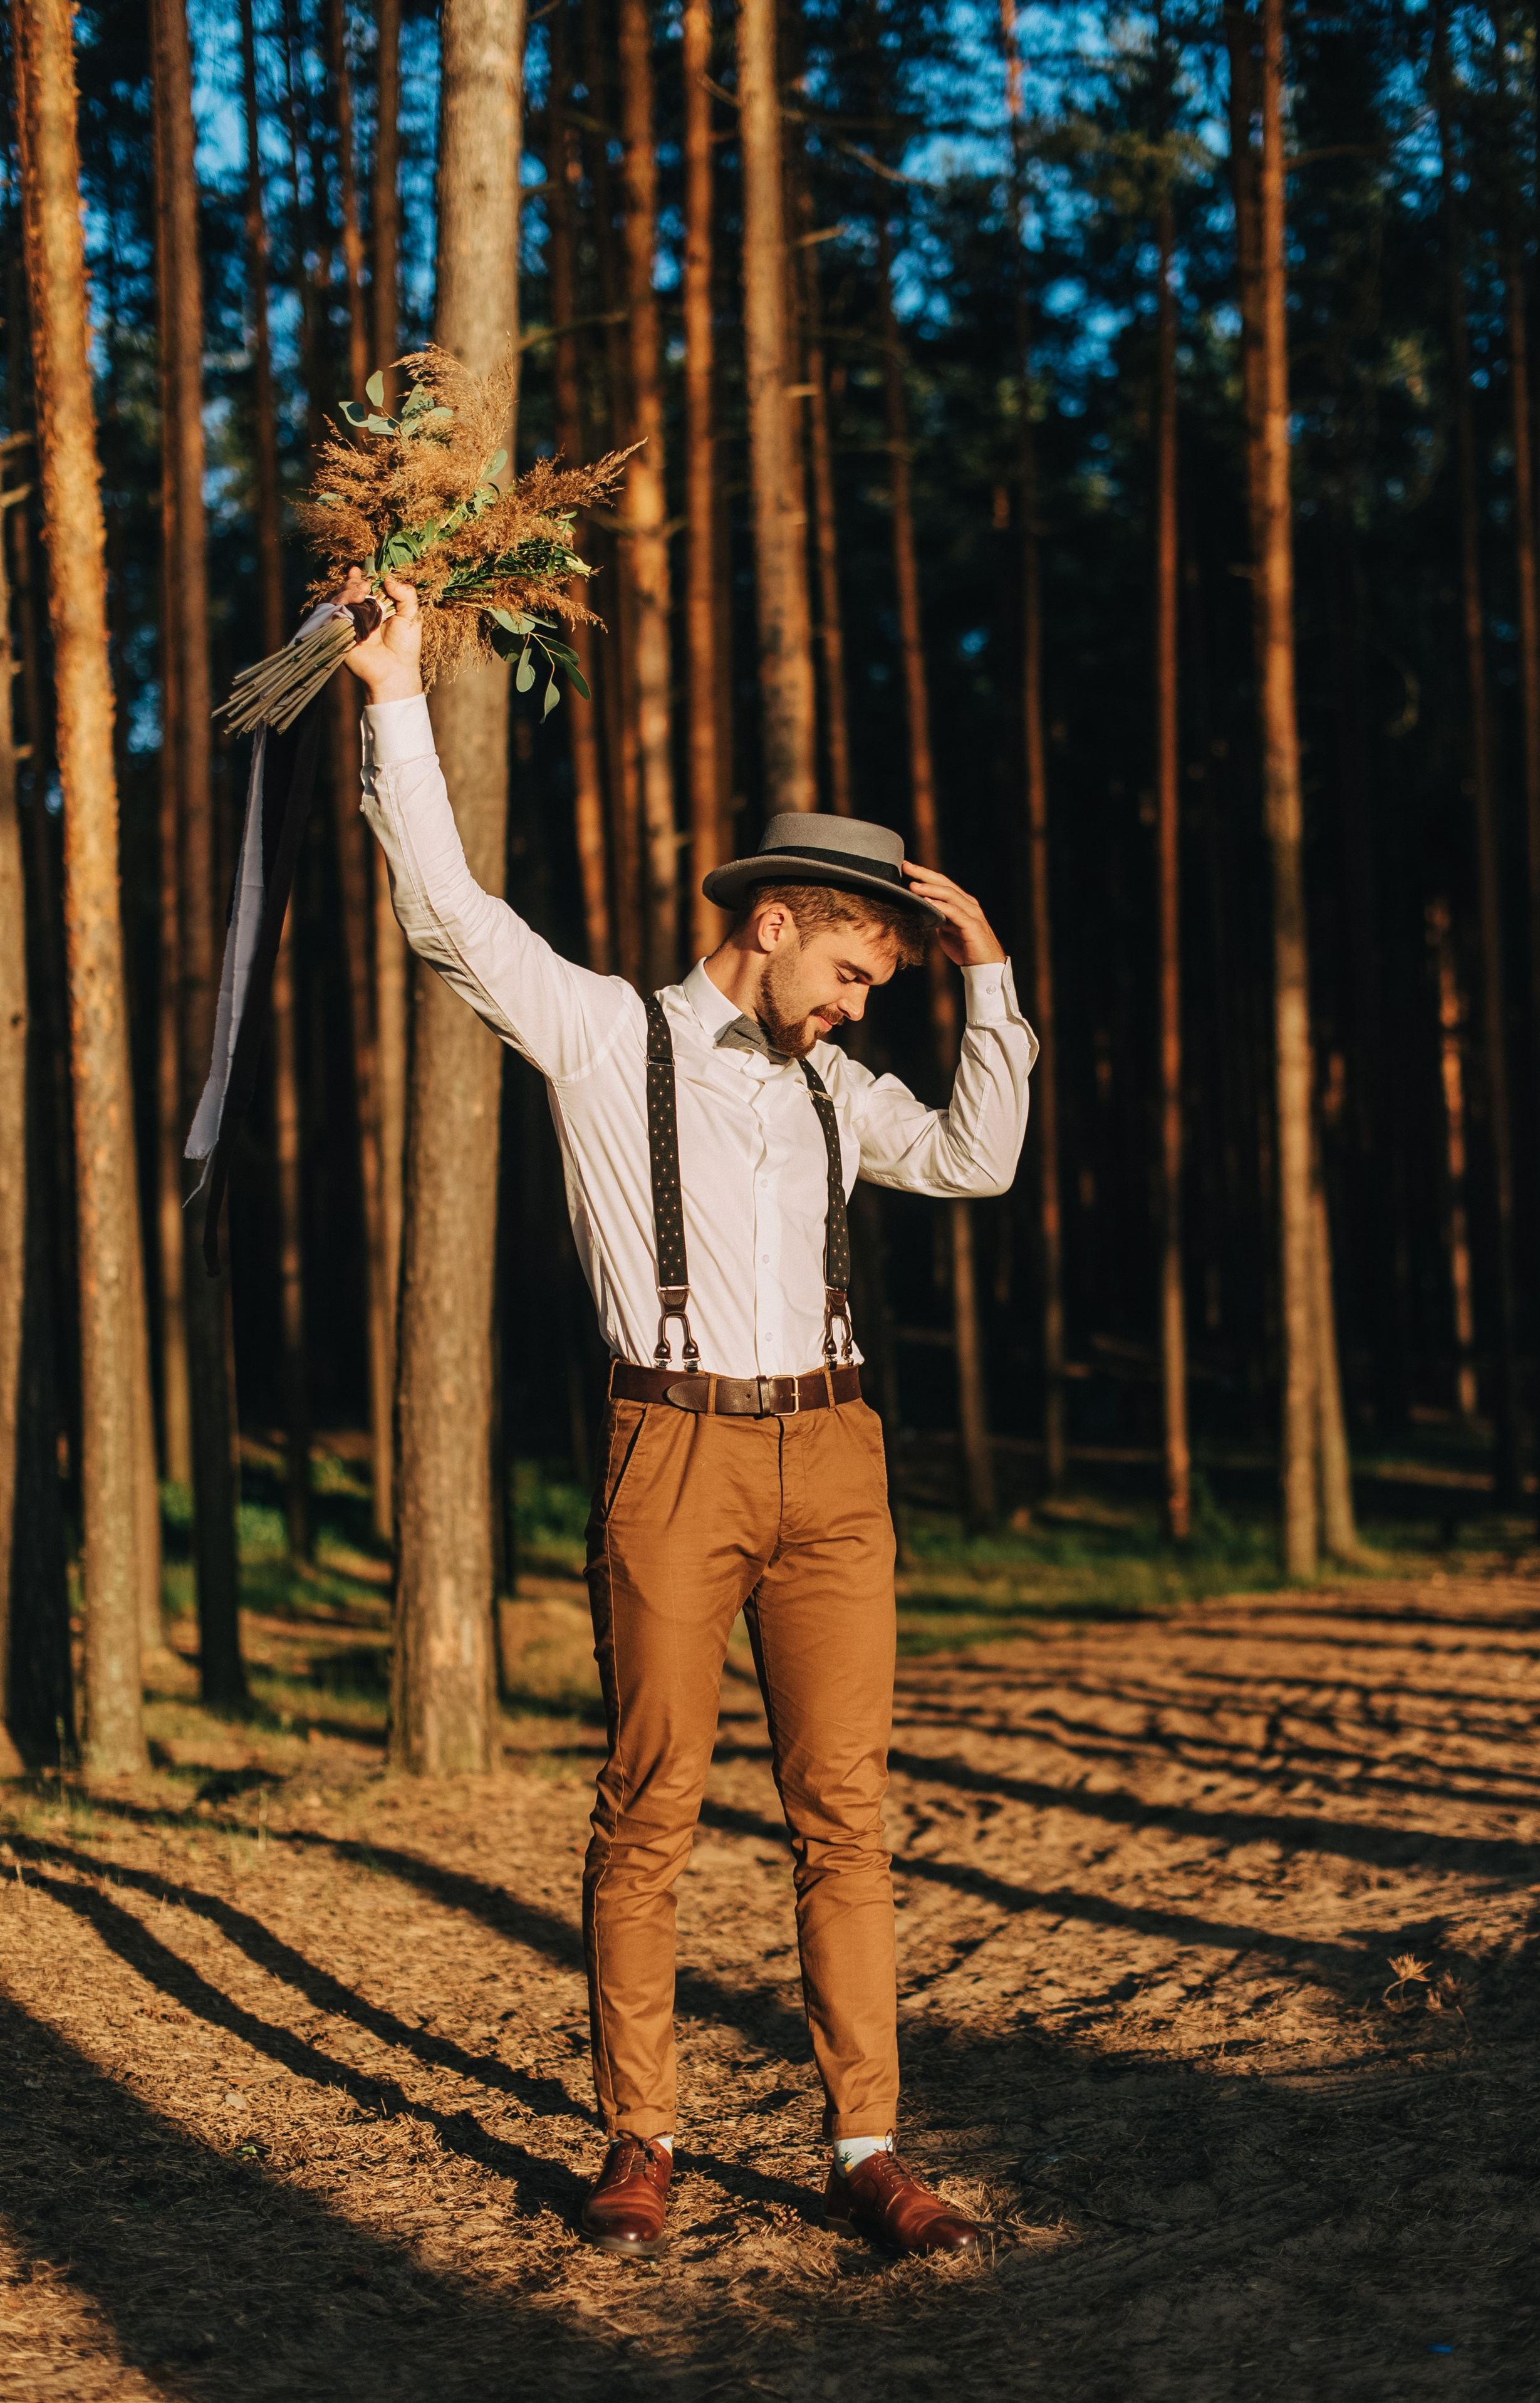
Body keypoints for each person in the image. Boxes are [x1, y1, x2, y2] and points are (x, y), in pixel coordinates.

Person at [343, 571, 1037, 2261]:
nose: (864, 1000)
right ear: (782, 915)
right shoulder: (605, 1034)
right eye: (859, 967)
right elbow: (447, 914)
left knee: (845, 1807)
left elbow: (978, 1155)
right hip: (673, 1452)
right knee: (650, 1799)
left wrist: (989, 979)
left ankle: (864, 2142)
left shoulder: (833, 1087)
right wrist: (391, 695)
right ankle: (640, 2134)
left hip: (839, 1460)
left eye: (881, 983)